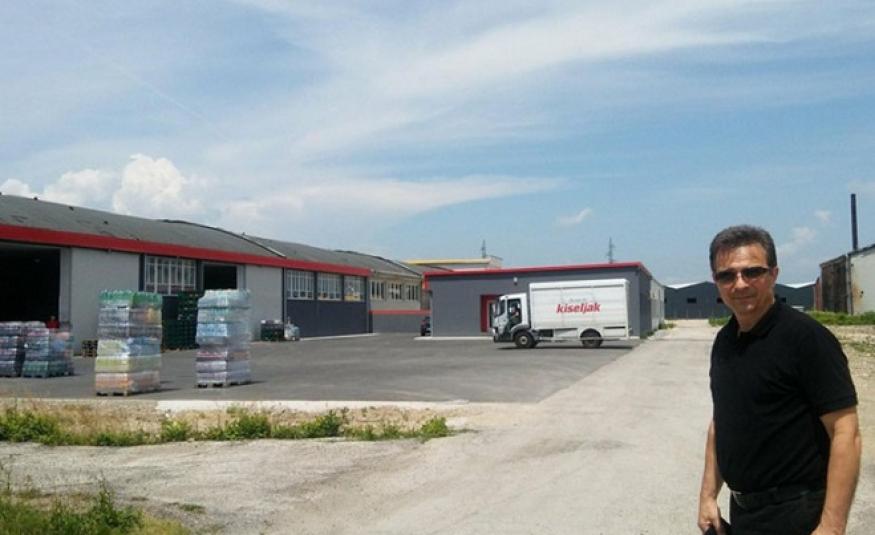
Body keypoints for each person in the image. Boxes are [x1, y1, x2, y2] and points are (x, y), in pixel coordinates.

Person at [697, 225, 861, 535]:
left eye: (752, 272)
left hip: (796, 514)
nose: (739, 284)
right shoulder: (725, 341)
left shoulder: (806, 339)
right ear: (716, 281)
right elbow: (721, 422)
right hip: (743, 513)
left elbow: (846, 431)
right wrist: (707, 496)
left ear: (774, 273)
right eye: (727, 275)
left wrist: (831, 526)